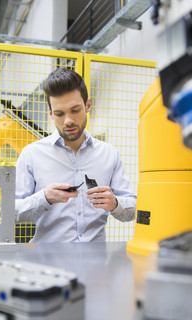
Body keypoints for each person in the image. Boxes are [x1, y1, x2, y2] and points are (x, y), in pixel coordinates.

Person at [15, 67, 136, 242]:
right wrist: (44, 198)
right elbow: (13, 212)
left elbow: (132, 210)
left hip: (95, 262)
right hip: (48, 262)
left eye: (75, 110)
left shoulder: (109, 154)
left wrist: (115, 203)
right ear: (50, 113)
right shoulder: (32, 154)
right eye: (59, 114)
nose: (68, 120)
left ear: (88, 105)